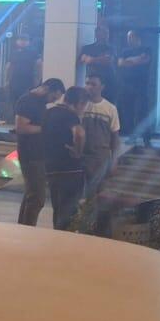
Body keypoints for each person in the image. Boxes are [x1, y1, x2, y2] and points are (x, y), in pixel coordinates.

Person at [15, 79, 65, 227]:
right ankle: (28, 229)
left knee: (31, 195)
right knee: (37, 198)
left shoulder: (40, 103)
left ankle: (23, 227)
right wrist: (47, 128)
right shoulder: (28, 101)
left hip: (38, 153)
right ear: (47, 88)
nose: (52, 101)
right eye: (53, 97)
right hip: (30, 155)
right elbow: (21, 127)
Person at [45, 86, 87, 230]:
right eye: (84, 105)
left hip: (51, 167)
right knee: (69, 210)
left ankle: (57, 235)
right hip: (70, 169)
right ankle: (66, 238)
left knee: (57, 207)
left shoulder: (49, 112)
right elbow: (79, 133)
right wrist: (78, 151)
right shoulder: (70, 115)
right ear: (79, 102)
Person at [81, 73, 121, 209]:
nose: (89, 87)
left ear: (102, 87)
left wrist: (114, 160)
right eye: (87, 83)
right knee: (83, 195)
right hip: (82, 155)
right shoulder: (81, 105)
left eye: (93, 84)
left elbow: (115, 137)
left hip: (100, 157)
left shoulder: (110, 108)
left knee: (99, 194)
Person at [115, 30, 152, 142]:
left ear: (137, 37)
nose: (129, 40)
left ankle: (146, 139)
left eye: (131, 37)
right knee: (128, 113)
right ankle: (132, 137)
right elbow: (120, 63)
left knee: (142, 112)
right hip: (127, 86)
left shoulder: (146, 49)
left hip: (141, 86)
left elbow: (144, 60)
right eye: (128, 37)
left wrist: (129, 61)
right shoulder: (125, 51)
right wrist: (136, 59)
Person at [6, 34, 41, 119]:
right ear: (17, 41)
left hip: (28, 80)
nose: (22, 42)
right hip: (15, 80)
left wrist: (37, 79)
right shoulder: (14, 52)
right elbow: (9, 67)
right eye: (21, 40)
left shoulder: (33, 52)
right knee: (15, 100)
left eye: (25, 40)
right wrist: (7, 80)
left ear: (28, 42)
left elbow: (39, 65)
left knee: (26, 100)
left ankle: (25, 119)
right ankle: (16, 119)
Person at [79, 24, 118, 93]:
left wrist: (91, 59)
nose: (107, 35)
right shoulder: (87, 48)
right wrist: (100, 59)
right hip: (92, 81)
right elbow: (80, 61)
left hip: (108, 81)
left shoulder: (111, 48)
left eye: (107, 33)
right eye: (104, 32)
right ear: (97, 34)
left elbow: (108, 60)